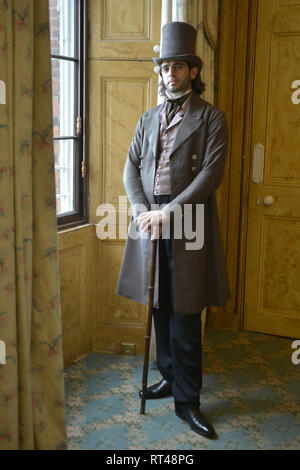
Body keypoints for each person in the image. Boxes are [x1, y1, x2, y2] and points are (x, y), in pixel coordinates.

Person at [116, 22, 230, 439]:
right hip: (149, 219)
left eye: (179, 67)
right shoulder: (147, 119)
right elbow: (131, 166)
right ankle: (167, 377)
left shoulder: (211, 118)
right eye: (165, 67)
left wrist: (170, 213)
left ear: (193, 72)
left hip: (189, 221)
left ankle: (188, 400)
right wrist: (141, 208)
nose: (171, 74)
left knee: (185, 310)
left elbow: (210, 177)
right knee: (159, 305)